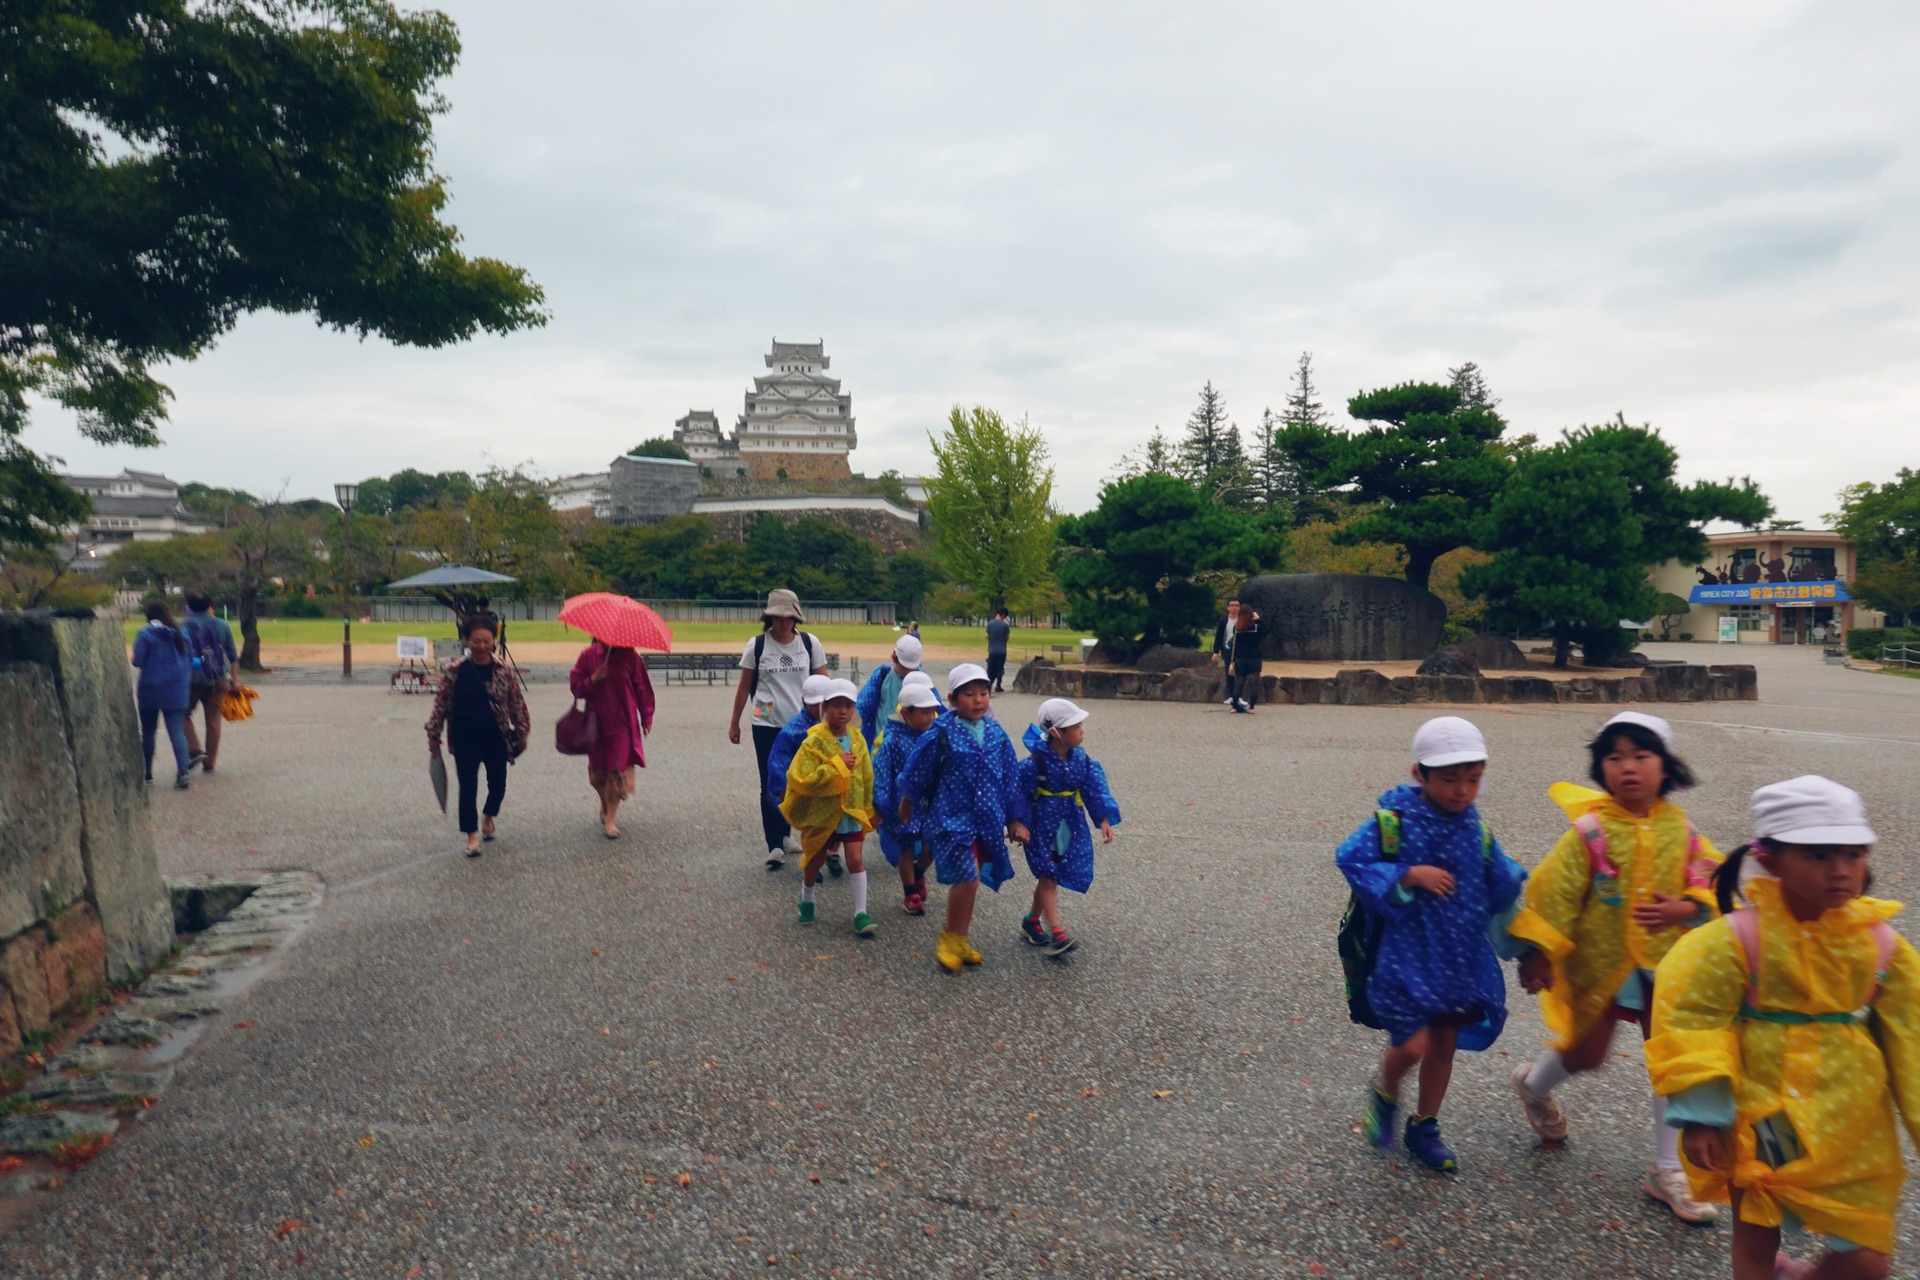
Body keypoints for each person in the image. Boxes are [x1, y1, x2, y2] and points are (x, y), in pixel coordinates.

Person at [1649, 777, 1919, 1279]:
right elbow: (1693, 1020)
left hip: (1854, 1124)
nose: (1841, 870)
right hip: (1768, 1116)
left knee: (1866, 1261)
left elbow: (1913, 1037)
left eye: (1854, 854)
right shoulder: (1735, 941)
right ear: (1770, 860)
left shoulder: (1882, 947)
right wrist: (1703, 1111)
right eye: (1819, 855)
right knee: (1757, 1225)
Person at [1506, 712, 1723, 1223]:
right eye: (1615, 757)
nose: (1628, 767)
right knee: (1586, 1054)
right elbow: (1553, 891)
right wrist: (1537, 951)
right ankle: (1534, 1084)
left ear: (1666, 767)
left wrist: (1687, 908)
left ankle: (1668, 1170)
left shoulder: (1681, 828)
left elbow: (1712, 873)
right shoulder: (1590, 832)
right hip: (1601, 961)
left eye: (1641, 756)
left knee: (1671, 1060)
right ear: (1600, 769)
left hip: (1665, 962)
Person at [1338, 716, 1528, 1172]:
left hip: (1460, 960)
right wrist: (1406, 875)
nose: (1462, 791)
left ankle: (1425, 1123)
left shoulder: (1476, 830)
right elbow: (1351, 857)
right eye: (1449, 780)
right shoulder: (1394, 823)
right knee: (1412, 1044)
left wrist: (1532, 938)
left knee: (1443, 1044)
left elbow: (1501, 881)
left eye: (1473, 780)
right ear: (1418, 773)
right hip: (1408, 957)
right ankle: (1385, 1093)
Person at [897, 663, 1032, 973]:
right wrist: (907, 800)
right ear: (953, 699)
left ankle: (960, 937)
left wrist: (1015, 818)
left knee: (970, 883)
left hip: (985, 820)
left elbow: (1010, 777)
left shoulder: (996, 733)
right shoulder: (942, 732)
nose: (978, 700)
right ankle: (949, 937)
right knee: (968, 877)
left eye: (983, 693)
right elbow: (918, 769)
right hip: (951, 818)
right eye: (969, 694)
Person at [730, 589, 830, 872]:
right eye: (778, 617)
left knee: (804, 781)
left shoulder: (809, 644)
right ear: (769, 617)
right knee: (772, 781)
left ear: (796, 618)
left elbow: (824, 681)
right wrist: (734, 721)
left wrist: (836, 717)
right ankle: (774, 841)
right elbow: (744, 686)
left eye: (788, 618)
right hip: (767, 724)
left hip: (804, 724)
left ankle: (792, 834)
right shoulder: (757, 646)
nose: (783, 623)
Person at [1016, 698, 1121, 957]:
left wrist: (1103, 819)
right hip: (1042, 826)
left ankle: (1032, 920)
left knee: (1052, 873)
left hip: (1069, 825)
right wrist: (1017, 822)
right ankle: (1058, 931)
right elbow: (1017, 794)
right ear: (1056, 732)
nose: (1082, 730)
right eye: (1075, 725)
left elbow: (1094, 787)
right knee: (1049, 873)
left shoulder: (1082, 761)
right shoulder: (1034, 764)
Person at [779, 678, 878, 937]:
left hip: (851, 811)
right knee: (816, 859)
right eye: (836, 705)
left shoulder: (857, 739)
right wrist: (835, 765)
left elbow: (867, 775)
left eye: (848, 705)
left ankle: (860, 912)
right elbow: (802, 777)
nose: (842, 711)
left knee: (855, 859)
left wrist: (869, 806)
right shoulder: (813, 742)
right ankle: (807, 896)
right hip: (823, 814)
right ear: (825, 707)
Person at [425, 620, 531, 857]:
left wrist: (522, 732)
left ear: (494, 640)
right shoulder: (454, 671)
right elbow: (441, 704)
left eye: (486, 640)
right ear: (466, 641)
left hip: (496, 736)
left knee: (498, 785)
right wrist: (434, 734)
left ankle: (489, 816)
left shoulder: (504, 670)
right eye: (476, 641)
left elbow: (516, 703)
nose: (481, 646)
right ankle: (471, 835)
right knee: (468, 786)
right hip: (465, 735)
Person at [569, 638, 655, 840]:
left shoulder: (631, 657)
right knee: (597, 776)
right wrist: (593, 679)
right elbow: (576, 687)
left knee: (616, 772)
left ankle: (611, 820)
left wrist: (647, 715)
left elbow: (642, 687)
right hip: (596, 723)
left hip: (622, 724)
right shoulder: (588, 656)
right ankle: (605, 803)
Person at [872, 680, 941, 915]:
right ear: (906, 712)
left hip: (928, 804)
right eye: (923, 713)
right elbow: (881, 773)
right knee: (906, 848)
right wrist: (881, 805)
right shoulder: (891, 740)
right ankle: (910, 890)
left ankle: (919, 873)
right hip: (901, 806)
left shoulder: (932, 737)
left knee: (931, 847)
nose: (929, 717)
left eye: (931, 712)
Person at [131, 600, 195, 790]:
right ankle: (183, 770)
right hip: (177, 689)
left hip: (151, 689)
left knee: (148, 731)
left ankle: (148, 773)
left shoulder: (145, 634)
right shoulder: (181, 633)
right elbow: (190, 658)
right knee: (176, 730)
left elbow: (137, 661)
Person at [178, 588, 237, 774]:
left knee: (181, 713)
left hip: (192, 679)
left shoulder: (183, 626)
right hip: (218, 676)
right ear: (210, 605)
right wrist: (234, 679)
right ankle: (210, 762)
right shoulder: (221, 624)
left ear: (189, 607)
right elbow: (232, 654)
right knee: (213, 719)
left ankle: (194, 748)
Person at [855, 633, 922, 747]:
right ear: (894, 658)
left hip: (909, 743)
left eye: (912, 668)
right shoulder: (882, 675)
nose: (909, 671)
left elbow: (936, 708)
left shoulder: (921, 679)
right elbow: (863, 704)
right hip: (879, 742)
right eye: (905, 667)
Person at [1230, 606, 1264, 713]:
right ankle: (1252, 707)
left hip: (1241, 658)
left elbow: (1235, 645)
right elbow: (1267, 630)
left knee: (1239, 683)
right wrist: (1258, 620)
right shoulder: (1256, 627)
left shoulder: (1237, 628)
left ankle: (1234, 706)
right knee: (1254, 683)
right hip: (1254, 658)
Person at [1213, 600, 1240, 706]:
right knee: (1230, 672)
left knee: (1240, 673)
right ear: (1228, 607)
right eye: (1232, 605)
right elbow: (1218, 636)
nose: (1234, 607)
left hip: (1240, 649)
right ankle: (1231, 696)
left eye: (1236, 605)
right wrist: (1215, 652)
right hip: (1228, 649)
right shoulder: (1223, 621)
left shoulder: (1243, 620)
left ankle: (1239, 696)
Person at [985, 608, 1012, 693]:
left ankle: (988, 684)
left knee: (990, 669)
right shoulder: (1005, 626)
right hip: (1002, 650)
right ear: (1003, 615)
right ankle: (998, 685)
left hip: (992, 650)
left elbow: (988, 636)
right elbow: (1007, 637)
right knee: (999, 668)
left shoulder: (990, 624)